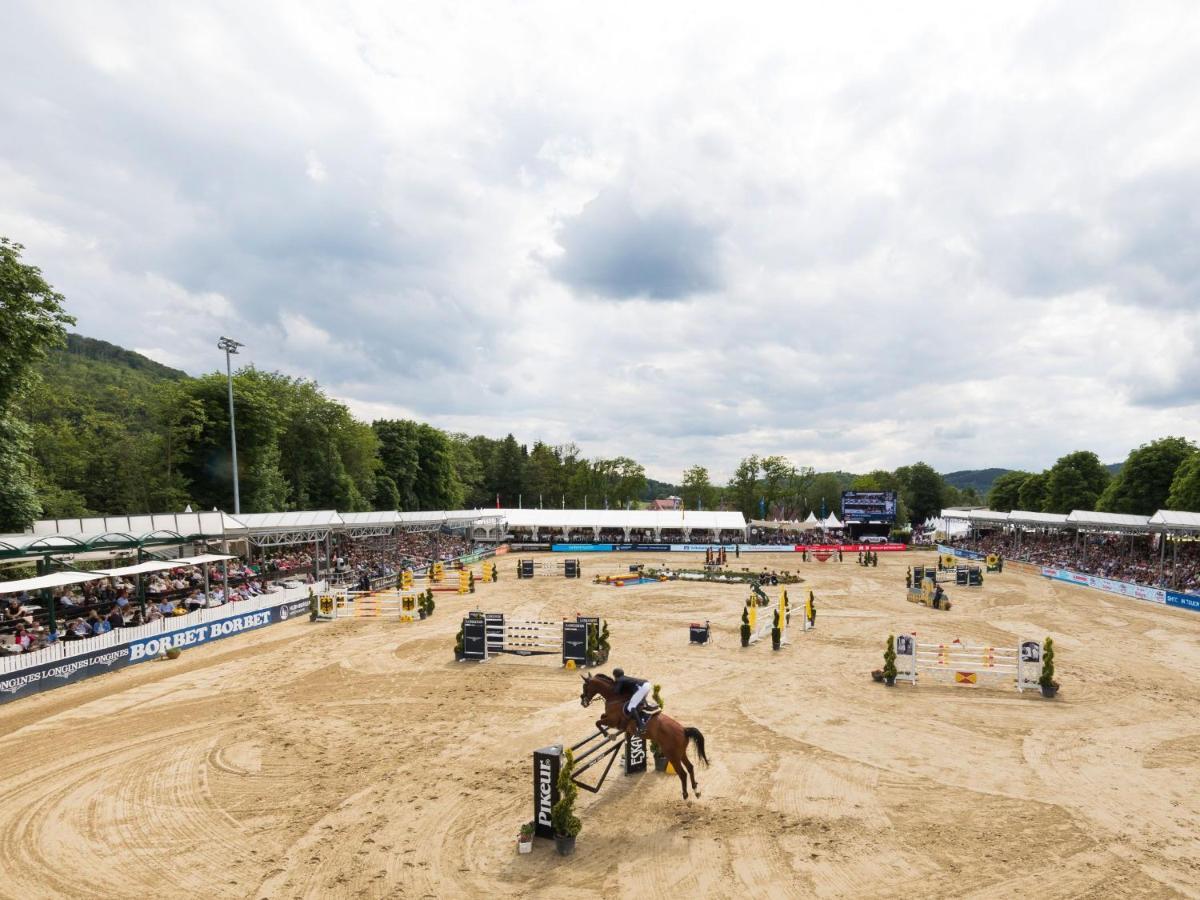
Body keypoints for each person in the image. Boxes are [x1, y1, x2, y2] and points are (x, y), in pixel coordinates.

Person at [611, 668, 652, 735]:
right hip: (647, 684)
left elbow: (616, 691)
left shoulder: (619, 679)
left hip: (642, 687)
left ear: (615, 675)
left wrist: (614, 683)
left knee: (631, 707)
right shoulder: (624, 678)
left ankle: (641, 726)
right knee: (637, 702)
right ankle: (643, 714)